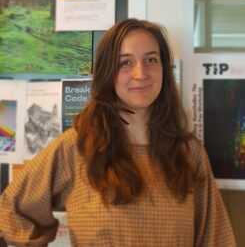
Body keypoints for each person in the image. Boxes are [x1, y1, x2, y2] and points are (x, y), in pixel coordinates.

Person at [0, 18, 236, 246]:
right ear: (107, 72)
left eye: (151, 60)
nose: (141, 73)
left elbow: (216, 238)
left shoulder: (188, 152)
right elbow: (10, 209)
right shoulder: (78, 147)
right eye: (125, 63)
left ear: (164, 69)